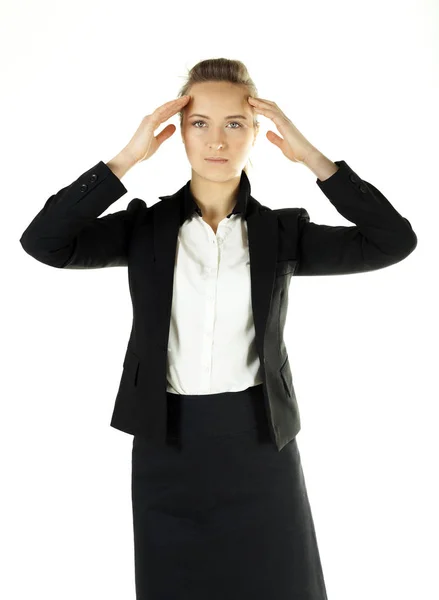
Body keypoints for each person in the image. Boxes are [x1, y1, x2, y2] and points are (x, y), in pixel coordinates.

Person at [19, 58, 417, 600]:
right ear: (179, 132)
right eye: (199, 123)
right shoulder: (145, 230)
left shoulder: (282, 233)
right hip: (167, 440)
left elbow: (393, 241)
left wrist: (314, 160)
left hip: (259, 440)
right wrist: (126, 159)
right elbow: (44, 243)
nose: (216, 140)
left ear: (256, 132)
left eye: (235, 123)